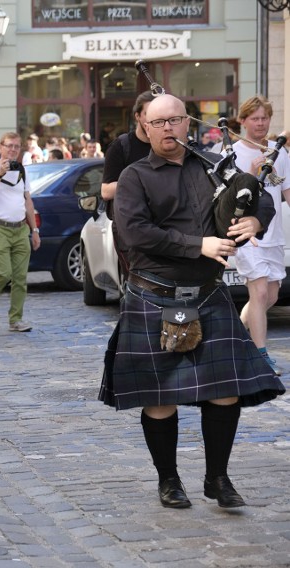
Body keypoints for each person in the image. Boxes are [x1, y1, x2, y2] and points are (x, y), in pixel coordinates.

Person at [100, 93, 285, 510]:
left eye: (176, 120)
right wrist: (196, 245)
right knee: (159, 397)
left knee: (225, 393)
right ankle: (169, 480)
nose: (168, 128)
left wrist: (258, 218)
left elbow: (257, 193)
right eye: (158, 122)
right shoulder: (134, 177)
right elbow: (135, 234)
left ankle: (217, 478)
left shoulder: (212, 166)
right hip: (154, 294)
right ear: (144, 127)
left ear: (188, 124)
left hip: (207, 293)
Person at [230, 95, 290, 375]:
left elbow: (287, 193)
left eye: (264, 118)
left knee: (271, 296)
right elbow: (231, 200)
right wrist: (253, 175)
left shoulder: (281, 152)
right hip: (247, 234)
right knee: (260, 291)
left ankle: (235, 332)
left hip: (274, 234)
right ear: (242, 122)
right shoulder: (231, 153)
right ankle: (260, 356)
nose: (261, 123)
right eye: (254, 118)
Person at [0, 132, 41, 331]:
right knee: (3, 273)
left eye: (16, 146)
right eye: (9, 146)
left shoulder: (22, 170)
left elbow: (27, 200)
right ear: (1, 147)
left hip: (20, 229)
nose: (13, 150)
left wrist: (35, 229)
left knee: (20, 278)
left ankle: (15, 320)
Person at [100, 91, 154, 277]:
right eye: (148, 113)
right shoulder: (122, 146)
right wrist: (141, 181)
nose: (154, 120)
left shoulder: (170, 145)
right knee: (138, 281)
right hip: (130, 227)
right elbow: (106, 191)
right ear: (137, 116)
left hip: (165, 225)